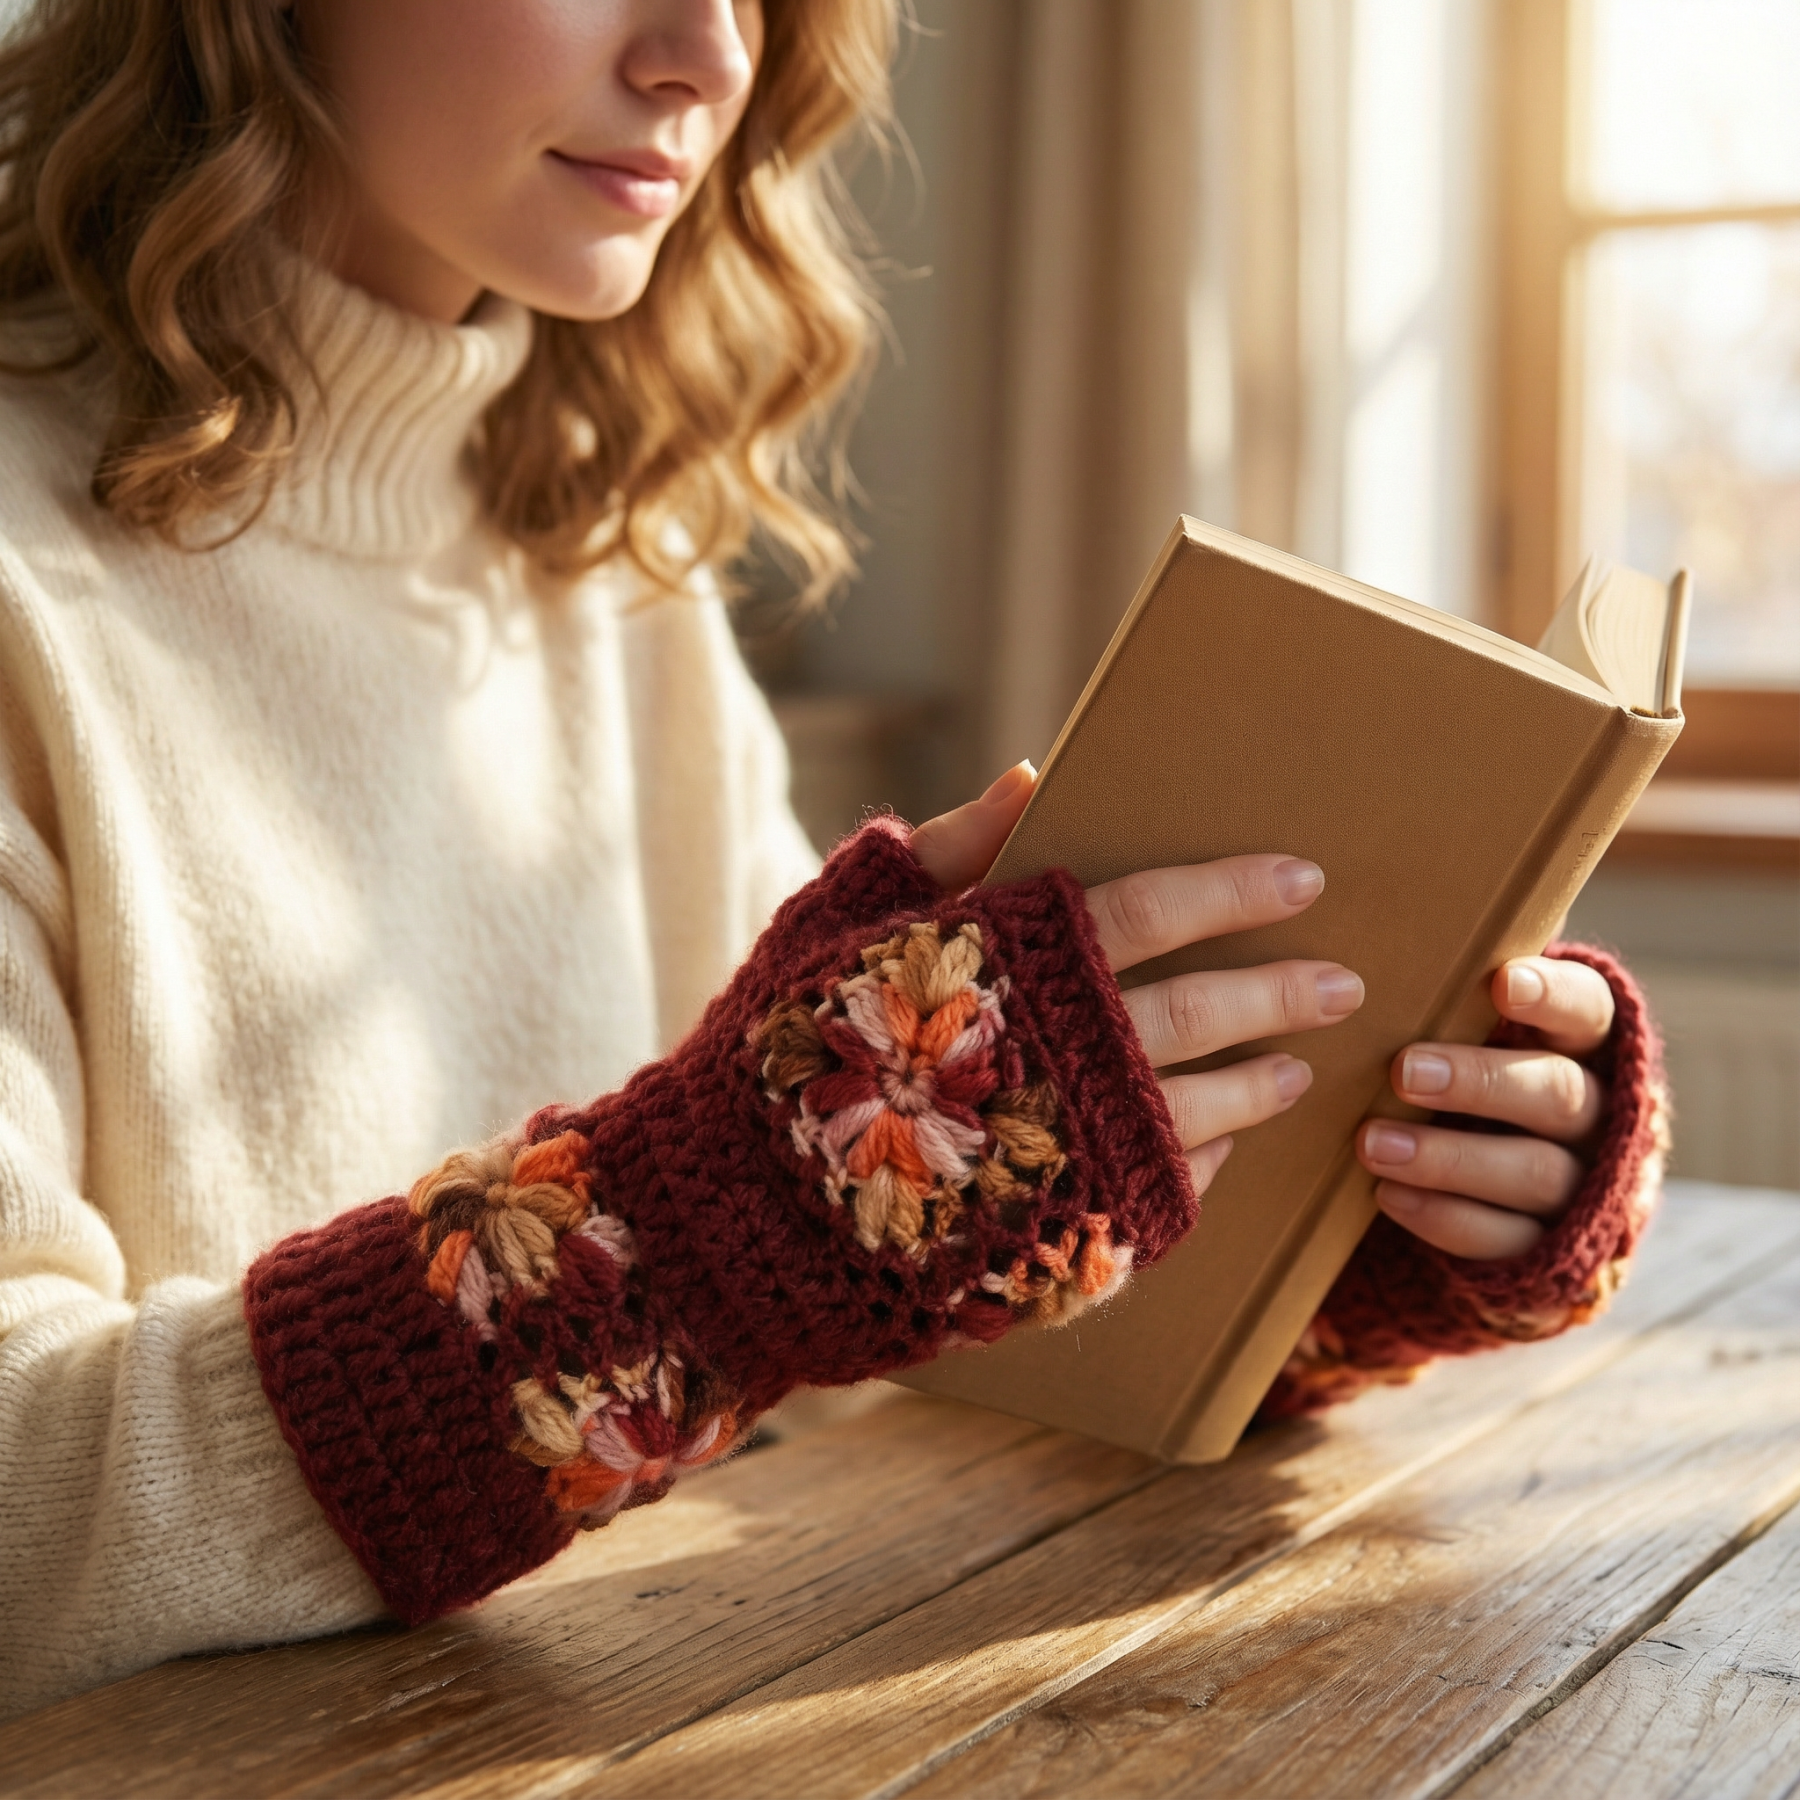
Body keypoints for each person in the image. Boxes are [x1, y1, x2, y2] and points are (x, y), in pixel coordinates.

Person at [0, 0, 1663, 1719]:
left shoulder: (605, 569)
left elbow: (851, 1343)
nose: (711, 55)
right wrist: (705, 1244)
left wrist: (1343, 1220)